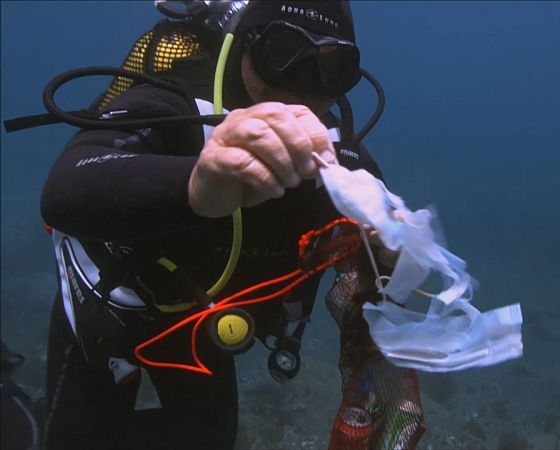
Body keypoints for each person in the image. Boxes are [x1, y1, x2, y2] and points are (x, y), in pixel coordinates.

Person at [38, 2, 396, 449]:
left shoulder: (335, 157)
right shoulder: (173, 99)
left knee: (208, 439)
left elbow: (380, 239)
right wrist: (196, 184)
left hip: (205, 322)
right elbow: (67, 185)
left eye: (330, 66)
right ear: (247, 44)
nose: (300, 86)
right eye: (282, 51)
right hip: (110, 307)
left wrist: (391, 250)